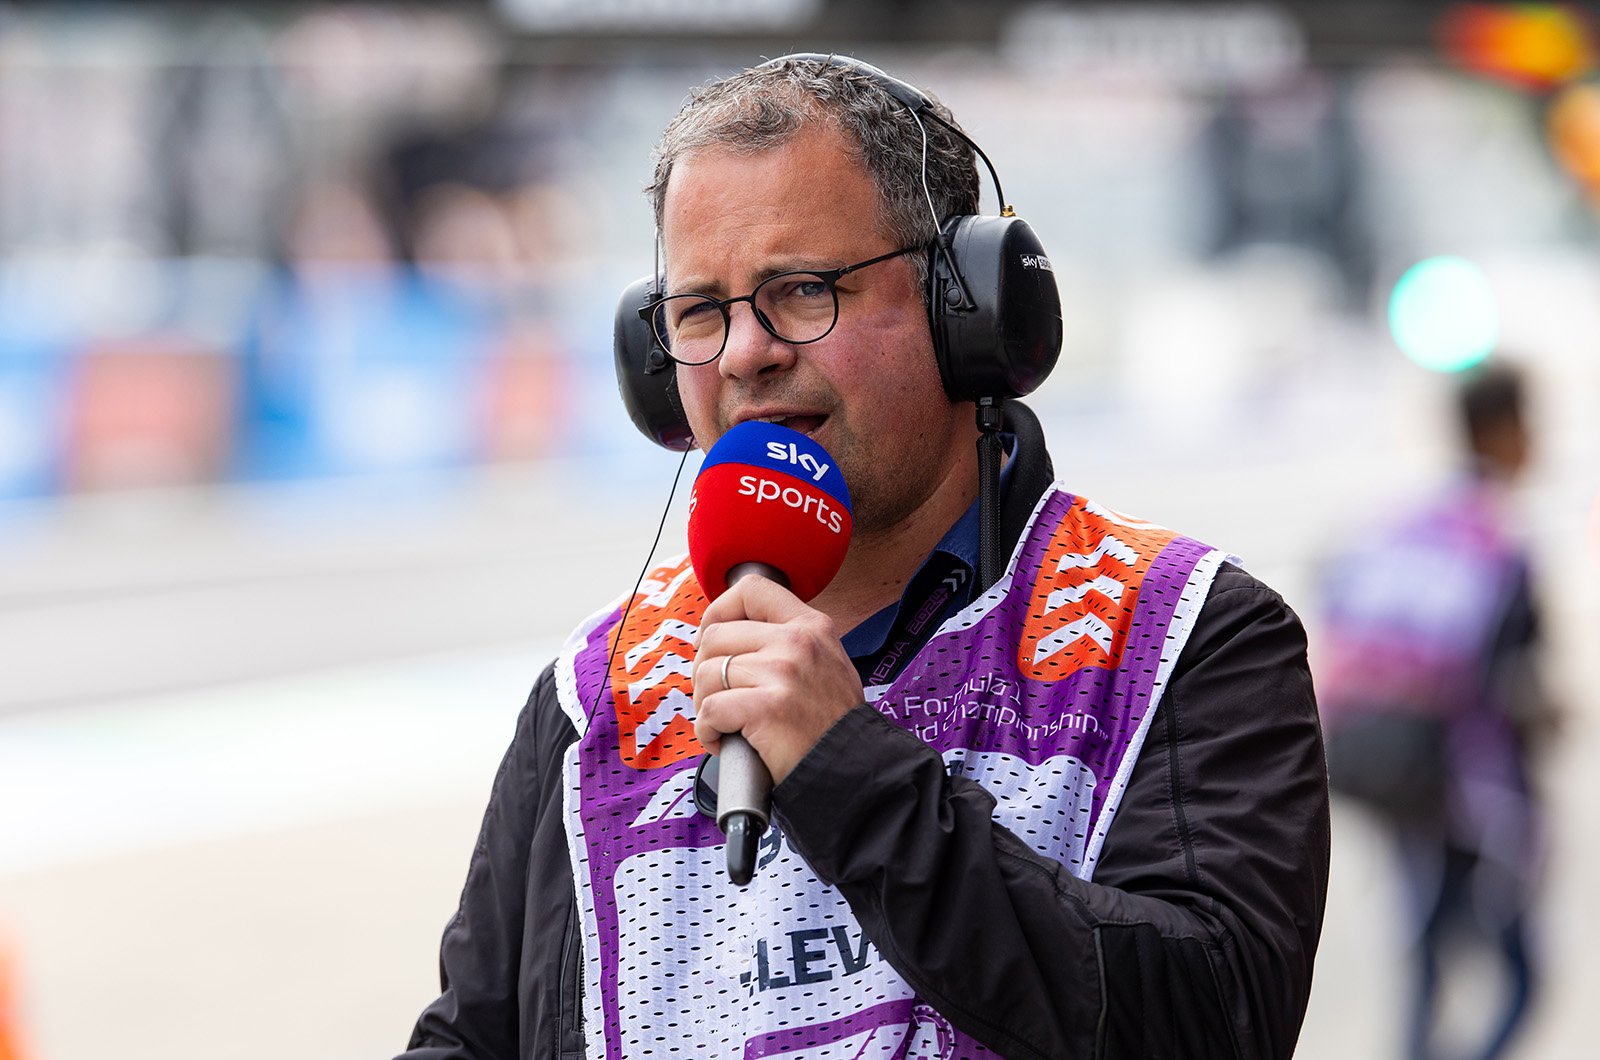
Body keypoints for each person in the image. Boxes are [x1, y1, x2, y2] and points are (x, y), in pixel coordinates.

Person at [400, 55, 1328, 1060]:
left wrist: (847, 769)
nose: (745, 352)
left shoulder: (1182, 631)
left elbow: (1216, 1020)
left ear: (965, 309)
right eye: (701, 311)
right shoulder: (593, 699)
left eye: (801, 291)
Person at [1319, 362, 1558, 1060]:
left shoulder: (1404, 523)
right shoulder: (1500, 544)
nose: (1536, 438)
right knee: (1521, 976)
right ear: (1501, 428)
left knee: (1428, 956)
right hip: (1464, 785)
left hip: (1391, 766)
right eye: (1529, 421)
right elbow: (1503, 682)